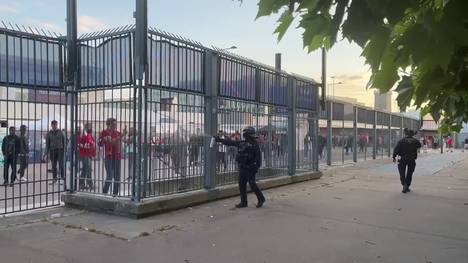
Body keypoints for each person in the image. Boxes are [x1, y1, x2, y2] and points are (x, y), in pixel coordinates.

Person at [215, 126, 265, 208]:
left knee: (252, 184)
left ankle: (261, 198)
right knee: (242, 184)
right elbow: (230, 142)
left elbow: (258, 158)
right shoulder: (242, 143)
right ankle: (244, 202)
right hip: (243, 167)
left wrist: (255, 167)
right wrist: (220, 140)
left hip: (250, 168)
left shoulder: (255, 145)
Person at [99, 118, 126, 197]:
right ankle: (104, 192)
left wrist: (123, 136)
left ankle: (115, 194)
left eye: (115, 124)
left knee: (117, 177)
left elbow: (121, 141)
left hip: (117, 156)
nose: (115, 126)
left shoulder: (117, 133)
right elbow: (110, 141)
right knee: (110, 176)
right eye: (113, 124)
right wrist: (121, 136)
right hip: (108, 157)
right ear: (108, 124)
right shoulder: (104, 132)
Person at [392, 128, 422, 193]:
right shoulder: (415, 141)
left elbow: (396, 149)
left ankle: (404, 184)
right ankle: (407, 186)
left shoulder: (401, 141)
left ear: (405, 134)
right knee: (410, 173)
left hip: (402, 158)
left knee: (402, 172)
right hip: (411, 158)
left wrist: (394, 157)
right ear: (412, 134)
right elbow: (419, 145)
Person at [44, 120, 66, 185]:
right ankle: (54, 179)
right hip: (52, 150)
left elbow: (64, 141)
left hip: (60, 150)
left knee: (61, 164)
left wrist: (65, 150)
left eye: (55, 125)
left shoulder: (61, 132)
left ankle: (62, 178)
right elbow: (47, 144)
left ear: (57, 125)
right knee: (54, 165)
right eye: (53, 125)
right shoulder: (49, 133)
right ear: (51, 125)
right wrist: (46, 153)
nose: (54, 126)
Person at [78, 123, 95, 190]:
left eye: (90, 127)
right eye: (89, 127)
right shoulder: (83, 134)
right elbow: (79, 143)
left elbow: (92, 143)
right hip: (85, 154)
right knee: (88, 170)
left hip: (88, 154)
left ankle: (81, 184)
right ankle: (90, 184)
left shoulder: (89, 135)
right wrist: (86, 146)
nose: (90, 128)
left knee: (84, 170)